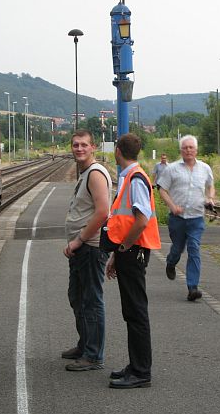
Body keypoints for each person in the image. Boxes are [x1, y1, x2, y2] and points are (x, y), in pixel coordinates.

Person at [105, 133, 161, 389]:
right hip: (128, 251)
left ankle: (141, 371)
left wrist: (125, 247)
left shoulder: (135, 179)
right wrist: (117, 254)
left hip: (134, 250)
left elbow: (141, 219)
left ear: (118, 151)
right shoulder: (131, 177)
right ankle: (136, 365)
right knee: (132, 311)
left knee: (136, 312)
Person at [62, 130, 112, 371]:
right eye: (75, 145)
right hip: (82, 248)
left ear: (93, 147)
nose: (79, 148)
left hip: (90, 248)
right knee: (77, 298)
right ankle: (85, 345)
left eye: (83, 145)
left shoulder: (95, 174)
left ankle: (94, 355)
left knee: (91, 300)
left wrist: (79, 239)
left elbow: (103, 212)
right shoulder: (86, 173)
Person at [157, 135, 215, 302]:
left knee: (194, 248)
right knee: (177, 248)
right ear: (181, 150)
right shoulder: (172, 169)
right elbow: (162, 190)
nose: (188, 150)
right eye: (185, 147)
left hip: (197, 217)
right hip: (178, 218)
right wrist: (172, 206)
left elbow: (210, 185)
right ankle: (171, 262)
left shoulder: (205, 168)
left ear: (196, 150)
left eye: (191, 147)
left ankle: (192, 287)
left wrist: (210, 198)